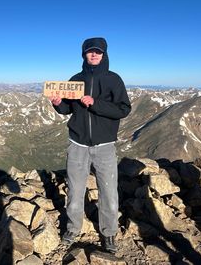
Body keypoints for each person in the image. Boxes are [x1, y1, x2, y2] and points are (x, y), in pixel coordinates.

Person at [50, 37, 131, 253]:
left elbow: (123, 109)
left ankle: (109, 233)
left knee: (108, 192)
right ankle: (72, 228)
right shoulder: (75, 79)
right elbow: (68, 109)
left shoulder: (114, 80)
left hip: (105, 145)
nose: (94, 55)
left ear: (104, 54)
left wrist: (96, 104)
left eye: (98, 52)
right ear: (84, 54)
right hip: (77, 142)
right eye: (90, 52)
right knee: (75, 190)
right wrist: (58, 104)